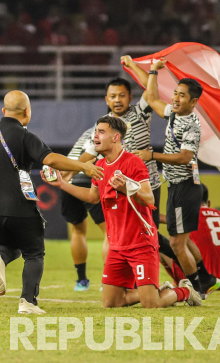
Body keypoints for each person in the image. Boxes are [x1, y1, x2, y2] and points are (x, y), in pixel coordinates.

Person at [0, 90, 103, 315]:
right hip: (20, 206)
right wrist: (83, 166)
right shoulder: (26, 136)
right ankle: (28, 301)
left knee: (10, 246)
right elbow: (51, 159)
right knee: (34, 252)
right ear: (27, 112)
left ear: (3, 111)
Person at [44, 116, 201, 308]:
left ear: (116, 137)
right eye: (95, 132)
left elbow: (149, 199)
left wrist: (126, 188)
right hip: (117, 247)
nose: (95, 136)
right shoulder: (100, 166)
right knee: (111, 303)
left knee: (151, 305)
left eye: (101, 132)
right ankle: (155, 290)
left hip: (140, 244)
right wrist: (62, 184)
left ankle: (184, 291)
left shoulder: (133, 162)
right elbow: (93, 197)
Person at [128, 58, 220, 298]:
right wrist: (152, 71)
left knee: (177, 244)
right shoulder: (174, 114)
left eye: (182, 96)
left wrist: (152, 155)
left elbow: (185, 157)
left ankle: (195, 287)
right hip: (180, 186)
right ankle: (206, 278)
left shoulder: (191, 124)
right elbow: (151, 99)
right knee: (184, 240)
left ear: (193, 102)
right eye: (176, 93)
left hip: (185, 187)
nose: (176, 98)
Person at [161, 184, 220, 291]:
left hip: (199, 279)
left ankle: (181, 280)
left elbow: (161, 219)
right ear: (208, 203)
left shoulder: (190, 215)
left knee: (162, 245)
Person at [58, 124, 105, 291]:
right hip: (89, 176)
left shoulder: (88, 130)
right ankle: (109, 281)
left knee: (77, 230)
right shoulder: (110, 130)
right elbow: (91, 154)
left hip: (69, 181)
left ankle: (81, 281)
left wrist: (68, 172)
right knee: (111, 232)